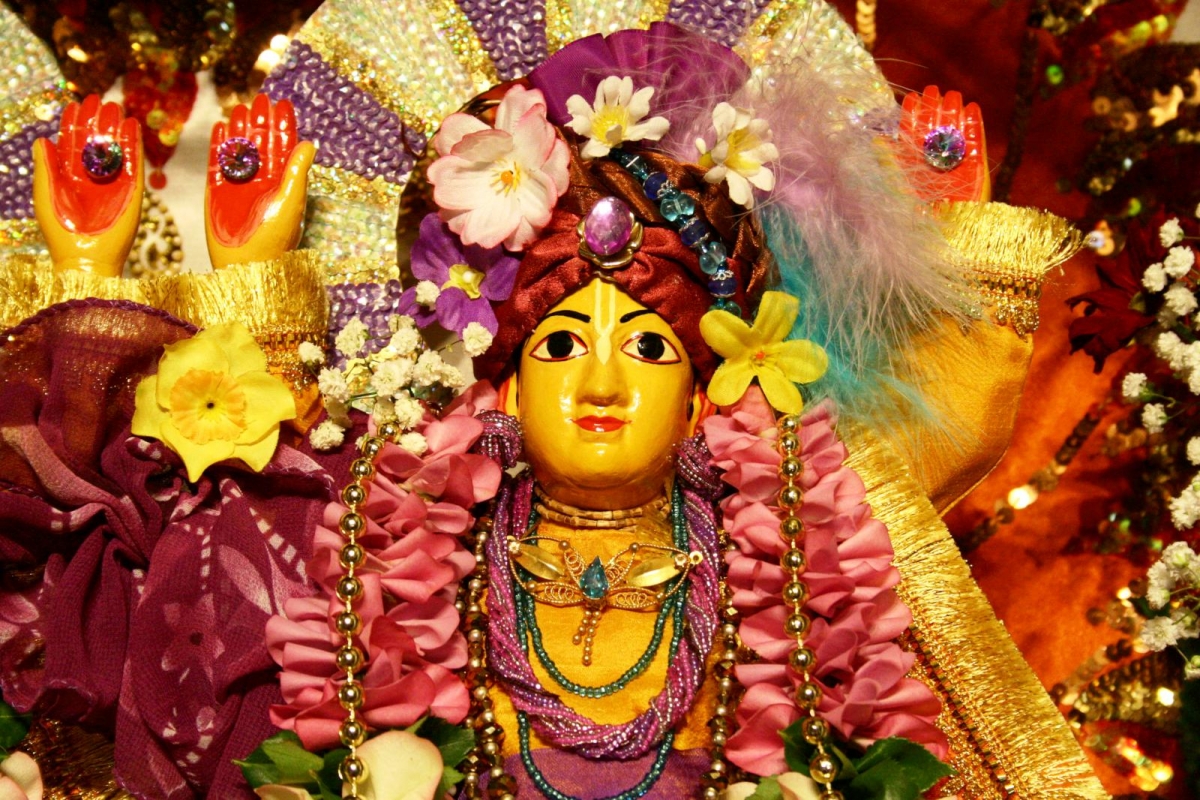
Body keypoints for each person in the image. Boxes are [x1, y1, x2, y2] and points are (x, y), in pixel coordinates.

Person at [0, 3, 1106, 799]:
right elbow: (152, 520)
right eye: (563, 341)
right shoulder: (392, 530)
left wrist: (942, 251)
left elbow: (936, 418)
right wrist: (227, 278)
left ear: (711, 383)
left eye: (651, 346)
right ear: (502, 374)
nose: (602, 381)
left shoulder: (801, 525)